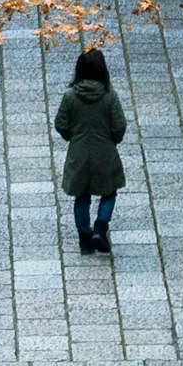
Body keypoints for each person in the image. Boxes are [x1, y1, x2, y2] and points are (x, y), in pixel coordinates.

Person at [53, 45, 128, 254]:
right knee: (110, 191)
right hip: (104, 152)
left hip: (79, 153)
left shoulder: (70, 96)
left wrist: (72, 136)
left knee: (81, 196)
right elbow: (119, 125)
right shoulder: (109, 95)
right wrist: (113, 140)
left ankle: (84, 238)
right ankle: (101, 226)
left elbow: (60, 123)